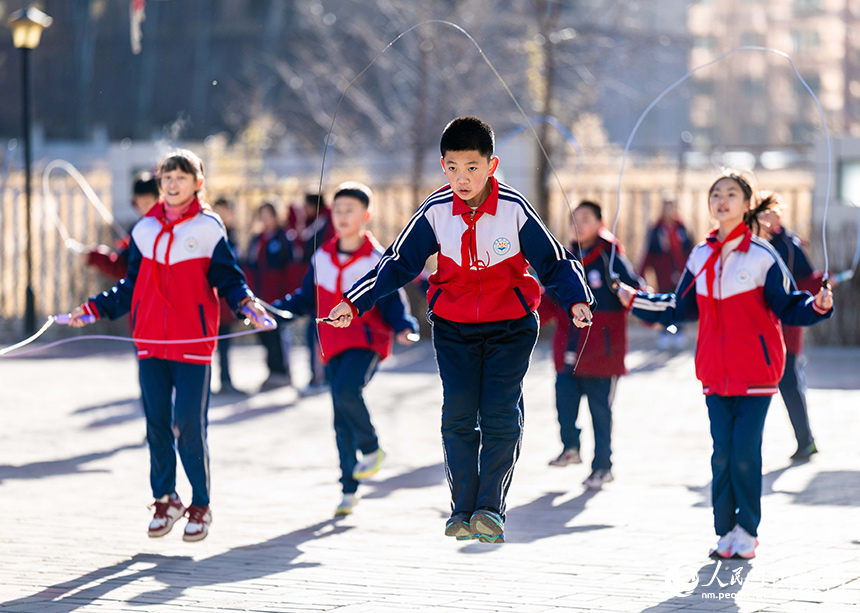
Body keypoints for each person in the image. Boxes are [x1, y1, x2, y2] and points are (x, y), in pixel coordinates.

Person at [326, 117, 595, 543]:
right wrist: (353, 301)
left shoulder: (514, 209)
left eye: (472, 167)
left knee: (500, 413)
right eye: (452, 168)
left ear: (491, 165)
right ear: (443, 166)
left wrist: (577, 299)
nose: (462, 178)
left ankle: (490, 508)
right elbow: (396, 262)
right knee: (458, 414)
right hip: (454, 328)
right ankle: (462, 508)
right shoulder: (435, 212)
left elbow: (555, 261)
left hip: (511, 326)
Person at [617, 172, 833, 559]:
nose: (722, 200)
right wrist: (635, 299)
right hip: (715, 374)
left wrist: (817, 306)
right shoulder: (700, 255)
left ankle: (747, 530)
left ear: (747, 204)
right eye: (715, 194)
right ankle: (724, 532)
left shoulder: (764, 255)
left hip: (757, 375)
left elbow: (789, 306)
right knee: (721, 455)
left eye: (731, 194)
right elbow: (679, 306)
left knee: (745, 453)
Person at [69, 149, 271, 542]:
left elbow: (228, 278)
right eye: (166, 177)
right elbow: (130, 285)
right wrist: (94, 308)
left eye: (181, 177)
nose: (173, 183)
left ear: (198, 183)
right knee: (157, 424)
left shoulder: (210, 228)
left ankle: (200, 504)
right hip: (148, 341)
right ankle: (165, 499)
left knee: (188, 426)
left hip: (192, 343)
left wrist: (246, 302)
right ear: (160, 183)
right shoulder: (144, 229)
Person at [273, 182, 418, 516]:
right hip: (332, 344)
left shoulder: (378, 259)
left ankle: (371, 447)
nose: (342, 216)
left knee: (345, 391)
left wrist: (404, 327)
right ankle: (348, 489)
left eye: (349, 210)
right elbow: (305, 299)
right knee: (340, 413)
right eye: (337, 210)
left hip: (367, 341)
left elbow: (394, 301)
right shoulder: (321, 256)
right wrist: (276, 313)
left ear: (366, 216)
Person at [540, 201, 645, 489]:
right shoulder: (564, 259)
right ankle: (570, 448)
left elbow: (634, 290)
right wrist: (525, 320)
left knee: (601, 412)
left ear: (600, 223)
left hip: (602, 352)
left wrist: (643, 303)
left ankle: (603, 466)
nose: (578, 224)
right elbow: (549, 299)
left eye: (585, 218)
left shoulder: (611, 257)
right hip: (568, 350)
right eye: (574, 218)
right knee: (564, 401)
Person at [759, 203, 823, 461]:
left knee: (789, 382)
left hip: (786, 327)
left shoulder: (789, 246)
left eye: (768, 214)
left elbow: (808, 279)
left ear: (778, 216)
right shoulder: (759, 245)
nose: (764, 219)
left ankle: (805, 440)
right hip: (764, 328)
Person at [244, 201, 294, 390]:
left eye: (268, 214)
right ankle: (271, 371)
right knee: (262, 333)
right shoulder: (256, 240)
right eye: (262, 215)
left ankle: (281, 372)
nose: (265, 219)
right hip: (258, 294)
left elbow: (289, 269)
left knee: (278, 334)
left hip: (277, 296)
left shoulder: (284, 239)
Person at [638, 195, 694, 350]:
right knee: (664, 302)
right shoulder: (656, 229)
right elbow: (649, 252)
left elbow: (690, 249)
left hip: (681, 272)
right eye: (665, 207)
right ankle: (665, 332)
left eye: (671, 207)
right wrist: (640, 274)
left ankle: (679, 331)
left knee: (680, 302)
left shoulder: (681, 228)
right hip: (663, 274)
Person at [83, 172, 160, 280]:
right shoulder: (136, 229)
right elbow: (124, 266)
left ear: (158, 200)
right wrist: (97, 257)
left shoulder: (163, 227)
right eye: (140, 204)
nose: (144, 209)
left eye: (147, 203)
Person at [212, 197, 242, 395]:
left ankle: (226, 379)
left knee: (226, 344)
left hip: (227, 301)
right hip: (213, 300)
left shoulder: (233, 238)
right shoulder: (211, 236)